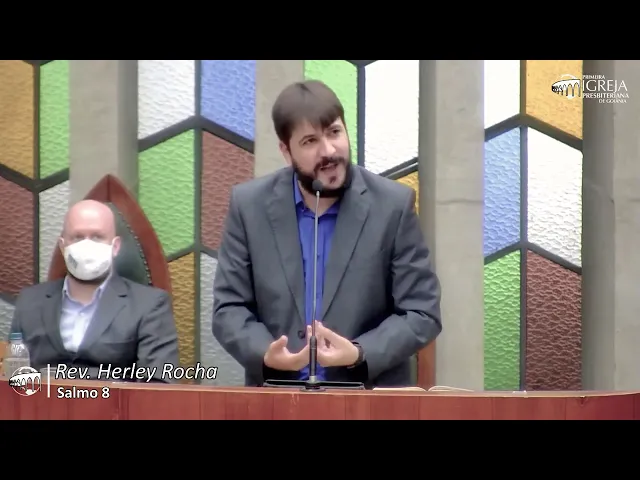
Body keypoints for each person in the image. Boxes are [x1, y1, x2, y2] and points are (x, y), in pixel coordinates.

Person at [212, 80, 442, 387]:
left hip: (367, 396)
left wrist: (360, 353)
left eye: (334, 132)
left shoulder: (393, 206)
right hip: (276, 396)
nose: (329, 151)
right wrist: (265, 353)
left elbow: (422, 312)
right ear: (286, 151)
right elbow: (228, 309)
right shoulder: (249, 207)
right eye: (310, 141)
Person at [9, 200, 179, 383]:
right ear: (63, 247)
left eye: (97, 237)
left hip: (113, 400)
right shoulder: (29, 302)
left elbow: (158, 385)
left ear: (115, 247)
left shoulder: (150, 305)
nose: (86, 246)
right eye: (77, 237)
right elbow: (13, 378)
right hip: (41, 400)